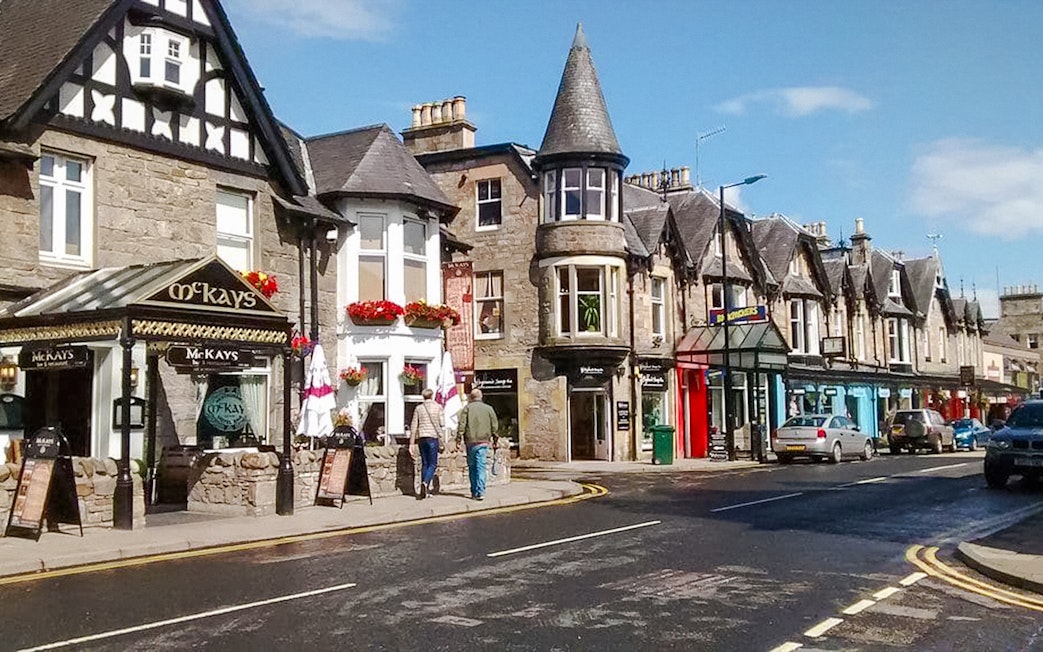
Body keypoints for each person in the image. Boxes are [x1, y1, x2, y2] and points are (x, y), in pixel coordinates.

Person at [456, 388, 498, 501]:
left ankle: (474, 491)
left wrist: (458, 440)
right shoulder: (489, 409)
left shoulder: (467, 409)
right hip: (483, 441)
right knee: (481, 466)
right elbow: (494, 426)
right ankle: (481, 491)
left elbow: (462, 425)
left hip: (470, 441)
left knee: (472, 467)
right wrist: (495, 439)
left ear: (471, 397)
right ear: (481, 396)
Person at [409, 388, 444, 499]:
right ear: (432, 395)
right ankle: (425, 483)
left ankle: (425, 491)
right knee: (433, 464)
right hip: (432, 437)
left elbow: (414, 425)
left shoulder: (419, 408)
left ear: (423, 397)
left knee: (425, 463)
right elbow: (442, 423)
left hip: (421, 438)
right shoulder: (438, 407)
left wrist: (411, 443)